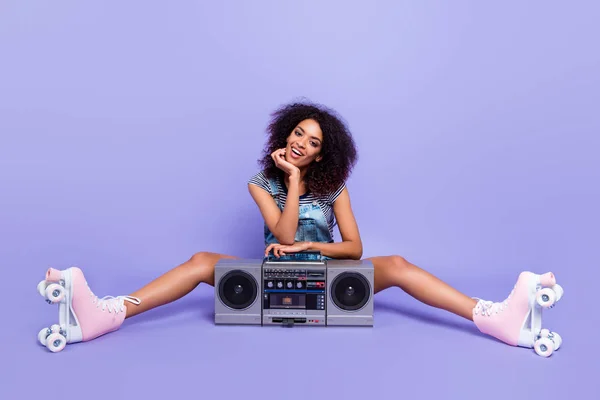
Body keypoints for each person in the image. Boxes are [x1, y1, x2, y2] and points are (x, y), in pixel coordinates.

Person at [36, 101, 564, 356]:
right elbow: (281, 239)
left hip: (331, 281)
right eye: (296, 134)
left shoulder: (336, 189)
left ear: (323, 151)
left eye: (311, 142)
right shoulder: (261, 183)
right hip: (268, 279)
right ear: (283, 136)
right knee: (201, 263)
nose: (300, 144)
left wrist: (316, 244)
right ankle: (107, 312)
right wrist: (290, 184)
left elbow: (355, 248)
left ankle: (492, 316)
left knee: (398, 267)